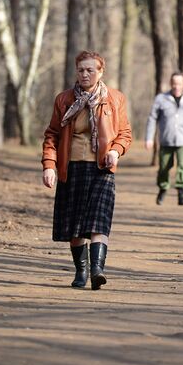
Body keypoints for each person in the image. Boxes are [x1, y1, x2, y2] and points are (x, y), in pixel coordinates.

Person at [42, 50, 132, 291]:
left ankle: (97, 270)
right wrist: (49, 166)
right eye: (81, 70)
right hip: (71, 168)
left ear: (101, 72)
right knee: (76, 224)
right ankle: (81, 271)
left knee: (98, 220)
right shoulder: (64, 100)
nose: (85, 74)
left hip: (102, 168)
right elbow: (52, 135)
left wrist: (115, 150)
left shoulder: (114, 98)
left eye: (90, 70)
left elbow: (124, 133)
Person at [145, 71, 183, 206]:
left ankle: (182, 195)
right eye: (174, 83)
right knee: (164, 167)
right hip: (166, 139)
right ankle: (163, 189)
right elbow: (152, 119)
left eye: (179, 83)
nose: (177, 86)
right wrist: (149, 138)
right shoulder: (161, 99)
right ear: (171, 84)